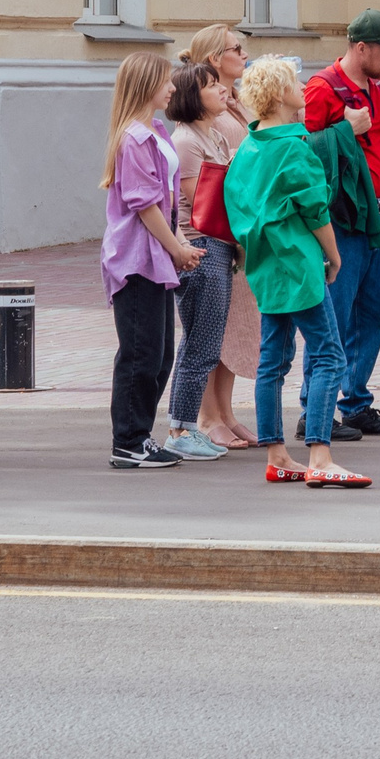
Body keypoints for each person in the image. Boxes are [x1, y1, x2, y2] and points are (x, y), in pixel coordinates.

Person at [229, 55, 368, 488]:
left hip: (266, 266)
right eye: (295, 83)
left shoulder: (249, 148)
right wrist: (335, 255)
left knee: (272, 361)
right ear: (279, 95)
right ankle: (321, 457)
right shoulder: (295, 146)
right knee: (329, 355)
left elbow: (236, 206)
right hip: (299, 263)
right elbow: (315, 209)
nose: (303, 88)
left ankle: (276, 454)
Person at [303, 9, 380, 440]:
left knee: (370, 315)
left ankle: (355, 401)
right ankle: (316, 409)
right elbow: (305, 154)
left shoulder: (378, 86)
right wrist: (344, 128)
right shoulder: (322, 88)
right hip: (341, 217)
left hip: (376, 215)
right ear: (360, 47)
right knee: (332, 313)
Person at [101, 52, 204, 470]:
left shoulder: (155, 131)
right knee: (141, 353)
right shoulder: (135, 138)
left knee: (160, 354)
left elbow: (164, 204)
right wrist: (177, 247)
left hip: (155, 257)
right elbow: (144, 206)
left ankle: (138, 436)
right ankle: (128, 440)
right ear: (146, 85)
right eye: (165, 81)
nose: (173, 87)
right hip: (136, 259)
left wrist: (179, 242)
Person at [173, 25, 257, 446]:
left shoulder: (232, 106)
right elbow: (202, 193)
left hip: (231, 232)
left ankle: (224, 410)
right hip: (213, 235)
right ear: (213, 60)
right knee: (208, 333)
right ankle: (204, 417)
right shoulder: (200, 126)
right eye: (235, 48)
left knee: (232, 325)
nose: (244, 54)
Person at [159, 62, 237, 458]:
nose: (222, 90)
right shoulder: (187, 141)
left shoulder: (215, 138)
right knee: (200, 345)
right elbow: (202, 203)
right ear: (193, 97)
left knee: (204, 343)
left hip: (218, 247)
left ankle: (186, 426)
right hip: (201, 247)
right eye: (211, 86)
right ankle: (180, 430)